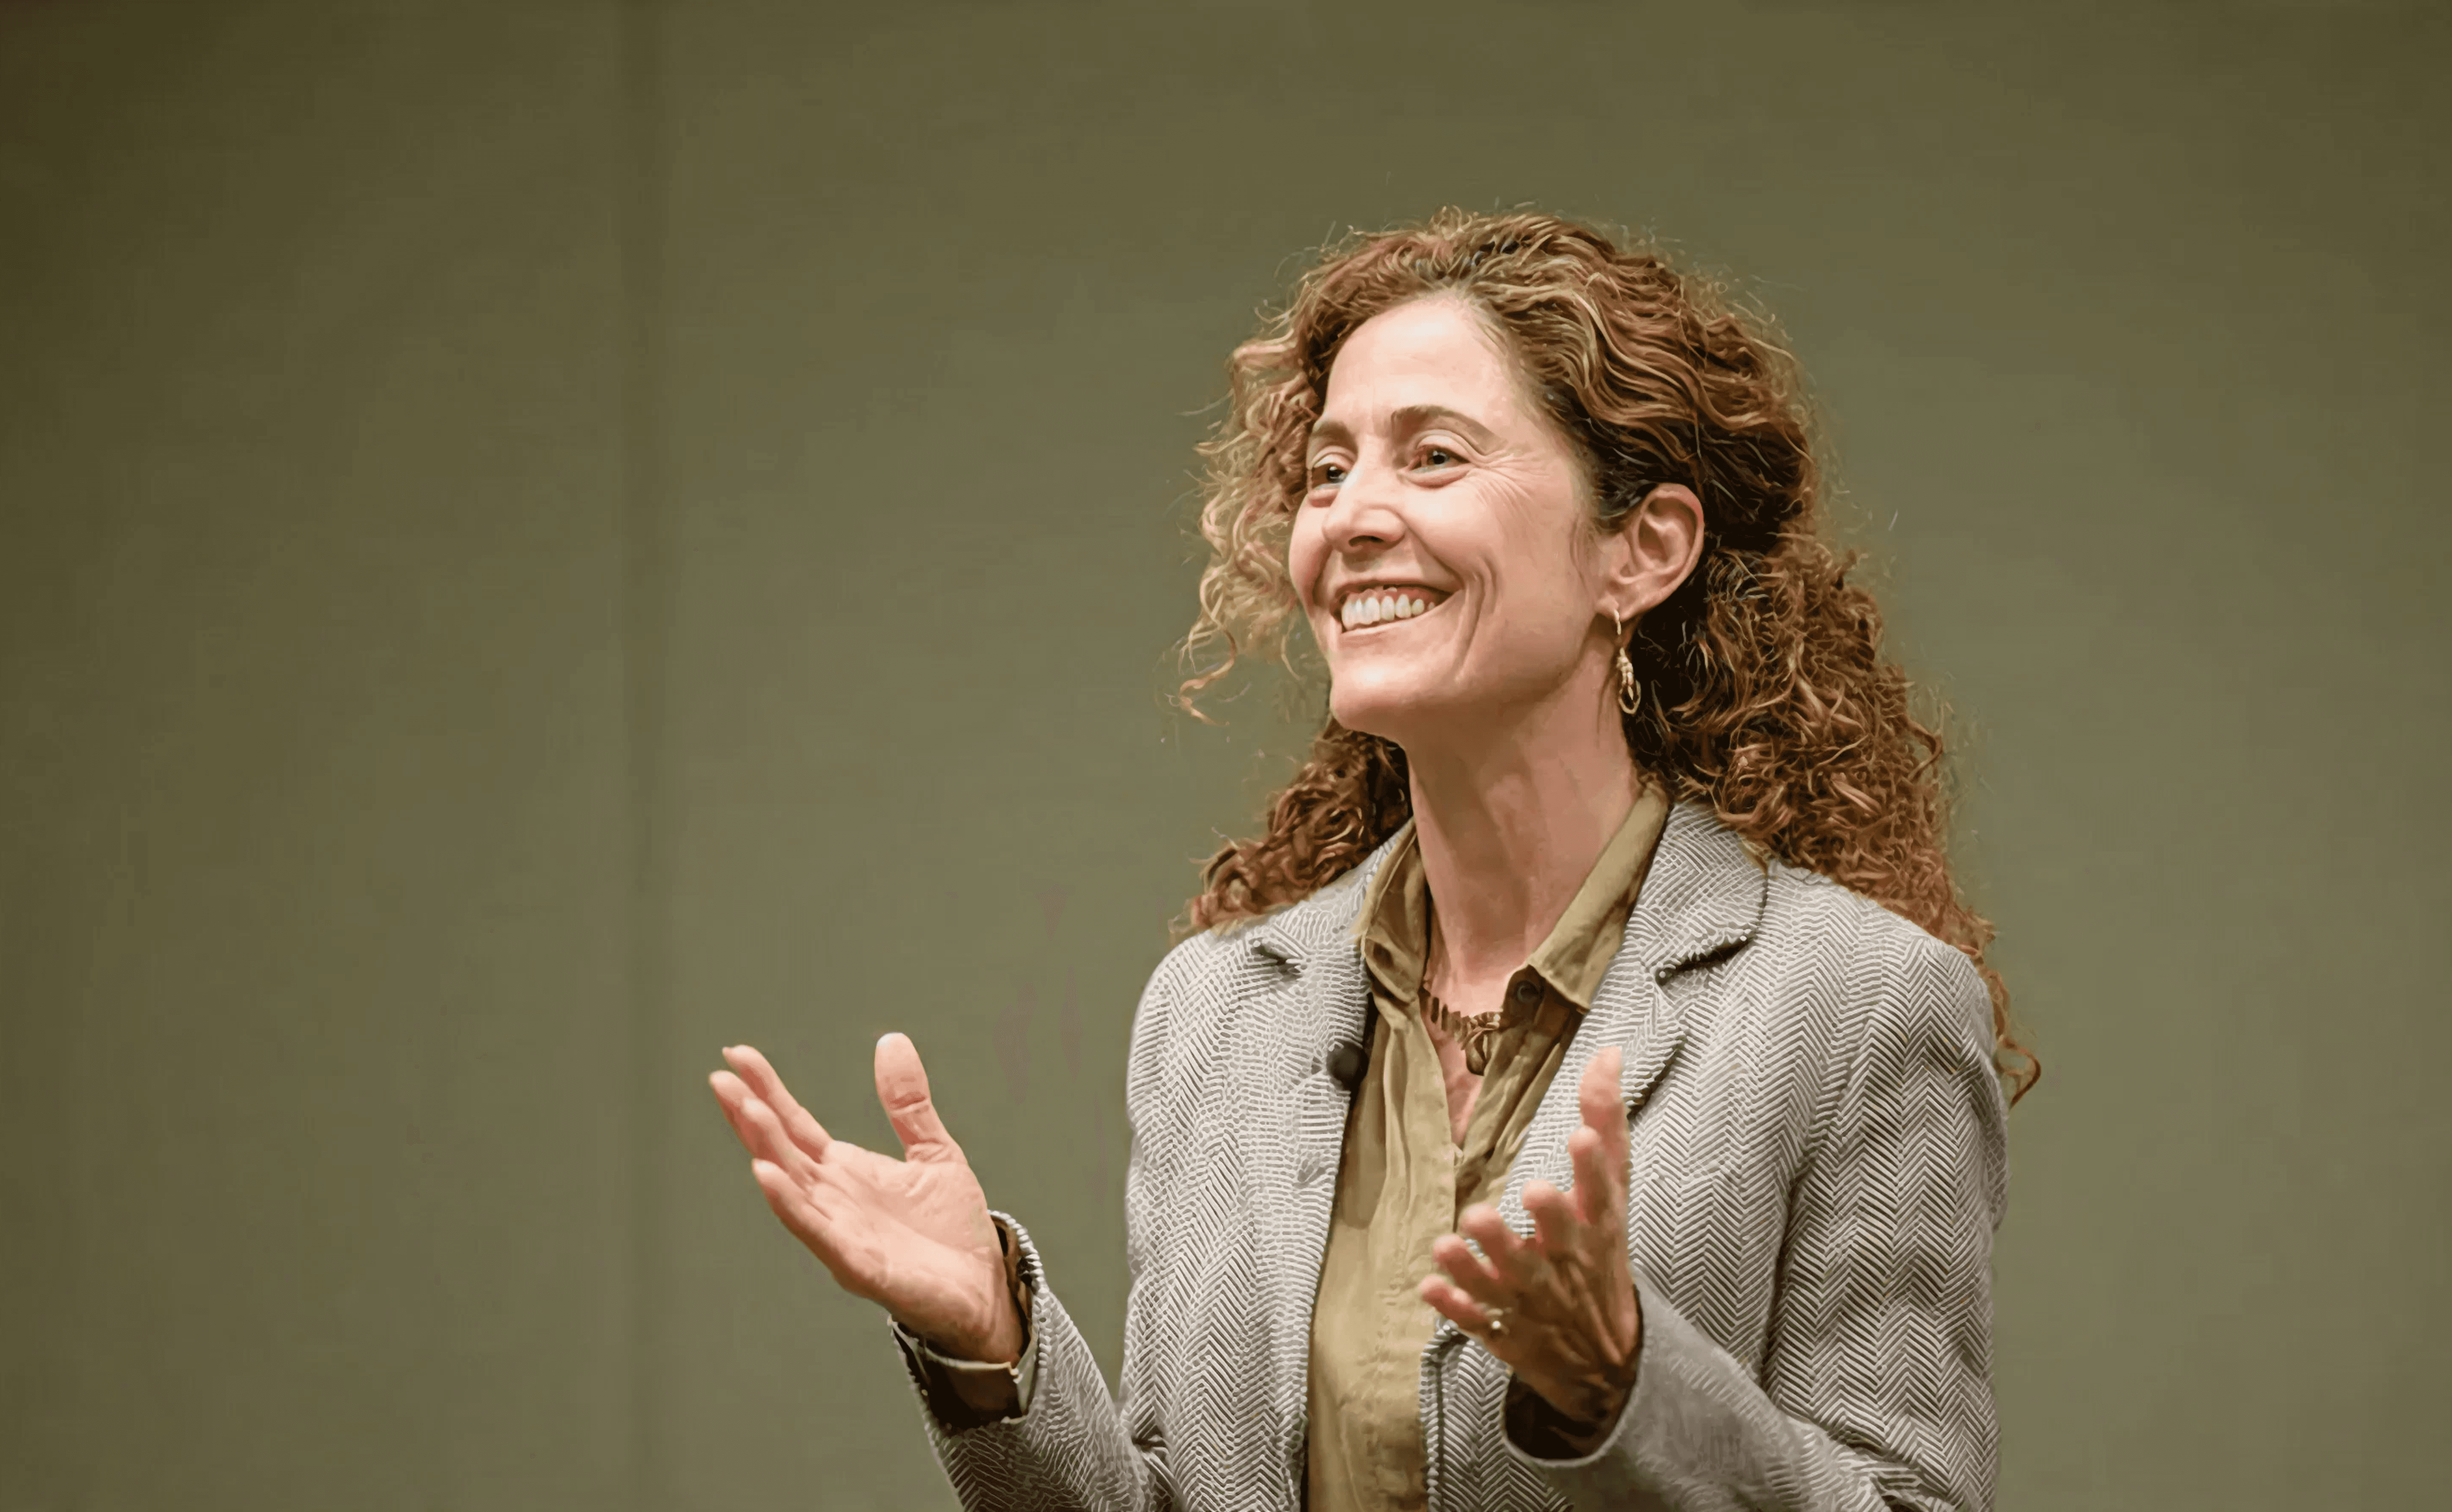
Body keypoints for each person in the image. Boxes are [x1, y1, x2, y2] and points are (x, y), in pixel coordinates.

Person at [708, 207, 2036, 1512]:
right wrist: (994, 1346)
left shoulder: (1859, 1006)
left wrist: (1632, 1386)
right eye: (1329, 469)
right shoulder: (1216, 1011)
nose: (1351, 516)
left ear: (1642, 550)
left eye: (1436, 457)